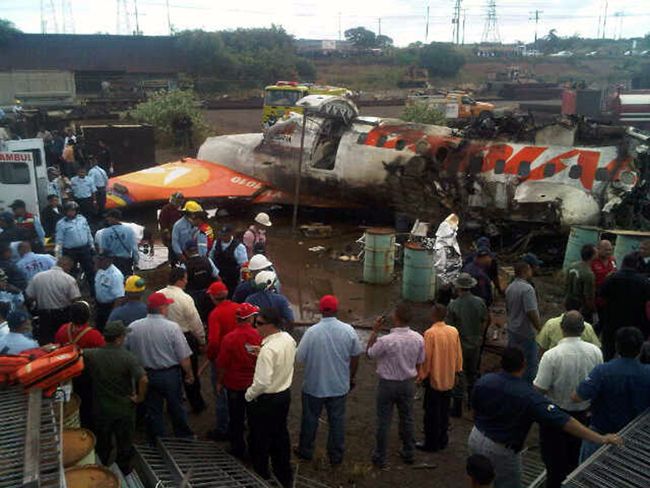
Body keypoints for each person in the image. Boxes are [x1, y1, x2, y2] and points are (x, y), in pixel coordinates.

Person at [469, 347, 622, 488]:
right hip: (501, 449)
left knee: (478, 479)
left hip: (475, 437)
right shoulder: (529, 396)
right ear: (523, 365)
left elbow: (475, 412)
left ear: (501, 364)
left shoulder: (484, 381)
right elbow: (566, 422)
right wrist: (600, 438)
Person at [533, 312, 603, 488]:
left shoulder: (552, 355)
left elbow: (539, 389)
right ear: (583, 329)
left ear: (562, 328)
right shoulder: (595, 352)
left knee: (554, 465)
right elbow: (597, 384)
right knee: (576, 463)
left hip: (555, 417)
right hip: (583, 418)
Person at [295, 295, 363, 465]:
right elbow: (356, 355)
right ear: (336, 310)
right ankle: (336, 455)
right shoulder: (348, 330)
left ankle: (305, 451)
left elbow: (299, 357)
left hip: (314, 386)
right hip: (339, 386)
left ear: (320, 311)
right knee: (337, 420)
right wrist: (351, 377)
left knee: (310, 419)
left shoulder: (312, 332)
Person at [572, 327, 650, 462]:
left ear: (616, 346)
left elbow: (576, 397)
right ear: (640, 348)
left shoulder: (602, 371)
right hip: (637, 439)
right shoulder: (647, 372)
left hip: (601, 438)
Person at [125, 292, 195, 441]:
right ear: (162, 308)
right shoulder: (172, 327)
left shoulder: (133, 327)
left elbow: (127, 352)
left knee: (153, 410)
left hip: (145, 375)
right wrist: (189, 374)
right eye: (167, 305)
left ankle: (159, 441)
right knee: (176, 407)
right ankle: (184, 437)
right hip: (169, 374)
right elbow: (183, 355)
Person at [366, 302, 425, 468]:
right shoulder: (418, 338)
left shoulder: (386, 340)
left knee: (384, 420)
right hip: (407, 384)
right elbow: (420, 362)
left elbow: (370, 353)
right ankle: (409, 452)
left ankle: (380, 456)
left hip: (387, 384)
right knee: (407, 418)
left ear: (395, 318)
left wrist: (375, 331)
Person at [85, 321, 147, 475]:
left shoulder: (92, 354)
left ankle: (102, 470)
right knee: (124, 443)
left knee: (103, 443)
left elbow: (76, 353)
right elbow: (144, 379)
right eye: (123, 336)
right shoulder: (128, 357)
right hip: (124, 409)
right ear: (118, 339)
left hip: (101, 408)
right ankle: (124, 471)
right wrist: (139, 398)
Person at [245, 307, 296, 488]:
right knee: (280, 434)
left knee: (260, 437)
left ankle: (261, 473)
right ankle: (284, 474)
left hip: (266, 400)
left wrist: (248, 395)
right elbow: (284, 359)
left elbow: (262, 383)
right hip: (284, 394)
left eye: (259, 323)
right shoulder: (288, 339)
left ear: (271, 325)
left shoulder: (268, 351)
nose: (255, 326)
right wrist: (264, 352)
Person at [157, 267, 207, 413]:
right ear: (179, 280)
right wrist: (202, 340)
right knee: (190, 372)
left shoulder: (158, 294)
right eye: (185, 278)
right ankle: (196, 404)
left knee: (169, 370)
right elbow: (195, 322)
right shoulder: (185, 298)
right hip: (184, 338)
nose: (186, 281)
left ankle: (173, 402)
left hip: (163, 338)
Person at [216, 302, 262, 457]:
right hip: (254, 385)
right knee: (255, 419)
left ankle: (237, 448)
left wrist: (219, 382)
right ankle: (255, 449)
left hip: (234, 385)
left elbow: (222, 364)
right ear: (250, 319)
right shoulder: (259, 336)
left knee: (236, 418)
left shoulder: (229, 338)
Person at [417, 304, 463, 452]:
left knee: (431, 412)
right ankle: (443, 439)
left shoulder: (430, 333)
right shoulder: (453, 331)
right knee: (444, 410)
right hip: (448, 377)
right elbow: (458, 354)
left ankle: (431, 443)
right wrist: (457, 370)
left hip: (434, 379)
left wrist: (421, 375)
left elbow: (426, 359)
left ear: (433, 316)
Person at [447, 273, 488, 415]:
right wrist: (480, 336)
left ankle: (457, 407)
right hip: (475, 343)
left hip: (460, 344)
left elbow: (450, 328)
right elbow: (484, 321)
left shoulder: (453, 305)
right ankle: (472, 403)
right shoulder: (479, 302)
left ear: (458, 288)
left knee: (459, 374)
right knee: (473, 373)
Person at [599, 253, 650, 361]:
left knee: (608, 353)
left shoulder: (612, 278)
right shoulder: (644, 281)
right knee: (633, 354)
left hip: (612, 322)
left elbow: (601, 295)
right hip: (636, 324)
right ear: (637, 265)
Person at [26, 255, 81, 345]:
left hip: (44, 316)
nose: (69, 270)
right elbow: (76, 300)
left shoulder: (37, 277)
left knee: (46, 343)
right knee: (63, 341)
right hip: (63, 315)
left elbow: (29, 297)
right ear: (66, 265)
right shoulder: (69, 279)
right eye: (70, 267)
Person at [505, 262, 541, 383]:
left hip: (513, 329)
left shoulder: (510, 287)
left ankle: (513, 384)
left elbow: (508, 308)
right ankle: (527, 389)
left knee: (514, 362)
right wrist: (539, 328)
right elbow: (531, 311)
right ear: (526, 271)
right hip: (527, 332)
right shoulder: (527, 289)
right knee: (530, 364)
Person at [55, 201, 95, 295]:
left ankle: (94, 293)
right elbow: (59, 240)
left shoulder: (82, 219)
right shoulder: (61, 224)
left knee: (90, 271)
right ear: (65, 211)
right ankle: (74, 294)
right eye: (69, 210)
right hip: (70, 252)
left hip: (84, 249)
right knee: (71, 273)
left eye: (73, 210)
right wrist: (59, 256)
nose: (71, 212)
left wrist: (92, 245)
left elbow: (88, 233)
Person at [536, 298, 601, 353]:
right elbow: (597, 348)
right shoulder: (588, 327)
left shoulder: (550, 324)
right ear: (581, 309)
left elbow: (542, 348)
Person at [183, 241, 219, 323]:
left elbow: (182, 283)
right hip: (208, 295)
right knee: (210, 317)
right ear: (197, 250)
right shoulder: (207, 260)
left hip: (193, 297)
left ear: (186, 252)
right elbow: (217, 277)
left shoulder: (184, 265)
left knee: (197, 319)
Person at [96, 209, 139, 277]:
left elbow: (103, 250)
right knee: (128, 281)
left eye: (109, 217)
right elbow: (134, 248)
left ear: (113, 218)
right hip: (126, 262)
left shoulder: (105, 232)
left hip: (112, 263)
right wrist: (136, 262)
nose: (107, 219)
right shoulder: (129, 230)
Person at [211, 224, 248, 297]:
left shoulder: (239, 247)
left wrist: (241, 282)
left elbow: (243, 266)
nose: (223, 237)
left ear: (231, 234)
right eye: (222, 234)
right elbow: (211, 258)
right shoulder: (216, 243)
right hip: (218, 278)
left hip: (232, 280)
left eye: (226, 235)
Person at [564, 244, 596, 322]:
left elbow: (565, 284)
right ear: (592, 256)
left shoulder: (572, 266)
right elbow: (588, 296)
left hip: (568, 301)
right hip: (580, 306)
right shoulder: (588, 274)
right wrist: (592, 309)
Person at [94, 252, 125, 333]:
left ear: (109, 260)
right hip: (99, 306)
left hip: (109, 308)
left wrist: (113, 316)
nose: (98, 261)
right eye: (98, 259)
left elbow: (119, 298)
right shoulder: (100, 270)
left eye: (101, 260)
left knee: (107, 331)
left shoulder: (115, 275)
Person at [591, 239, 616, 330]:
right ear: (598, 249)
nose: (609, 252)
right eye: (606, 250)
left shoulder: (612, 260)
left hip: (608, 298)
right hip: (595, 298)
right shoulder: (592, 261)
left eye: (610, 250)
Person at [159, 191, 184, 265]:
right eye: (177, 200)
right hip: (170, 234)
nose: (178, 202)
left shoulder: (183, 209)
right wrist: (167, 233)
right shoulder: (166, 209)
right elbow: (162, 222)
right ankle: (173, 264)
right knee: (172, 250)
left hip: (181, 234)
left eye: (180, 200)